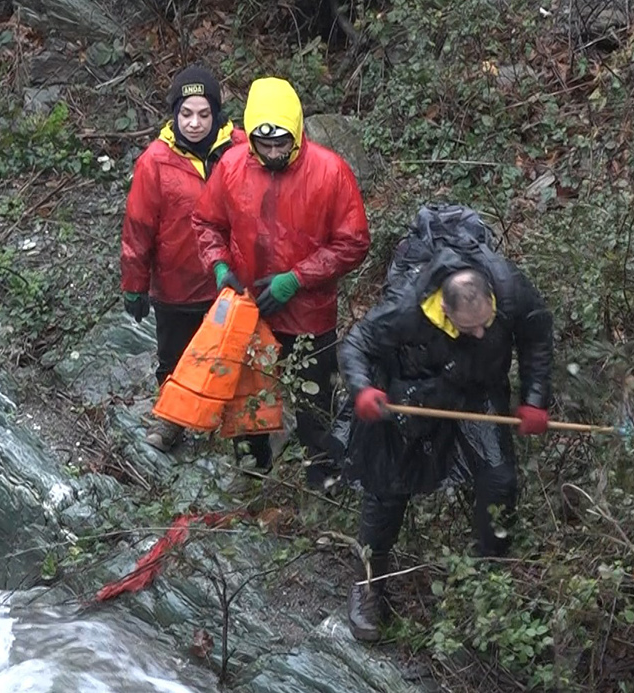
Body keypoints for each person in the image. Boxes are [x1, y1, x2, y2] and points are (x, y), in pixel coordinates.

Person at [336, 230, 554, 642]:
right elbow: (356, 345)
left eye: (486, 324)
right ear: (445, 310)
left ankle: (488, 583)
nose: (479, 333)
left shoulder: (509, 288)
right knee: (387, 487)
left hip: (477, 391)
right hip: (412, 390)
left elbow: (537, 334)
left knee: (500, 480)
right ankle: (369, 584)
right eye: (468, 327)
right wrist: (363, 389)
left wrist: (535, 397)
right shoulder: (407, 307)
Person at [192, 76, 370, 488]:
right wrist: (219, 267)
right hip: (249, 306)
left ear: (297, 132)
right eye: (264, 144)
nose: (273, 153)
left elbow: (354, 242)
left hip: (310, 313)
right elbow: (206, 222)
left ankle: (321, 473)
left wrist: (297, 278)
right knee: (247, 394)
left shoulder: (330, 172)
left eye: (281, 144)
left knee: (315, 402)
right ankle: (253, 468)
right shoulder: (233, 167)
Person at [120, 65, 245, 452]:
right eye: (186, 113)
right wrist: (134, 286)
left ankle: (233, 427)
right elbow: (138, 228)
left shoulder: (241, 149)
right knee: (174, 357)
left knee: (231, 354)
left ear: (217, 114)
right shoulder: (155, 162)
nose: (194, 123)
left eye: (203, 114)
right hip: (175, 283)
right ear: (174, 114)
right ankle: (172, 419)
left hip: (230, 279)